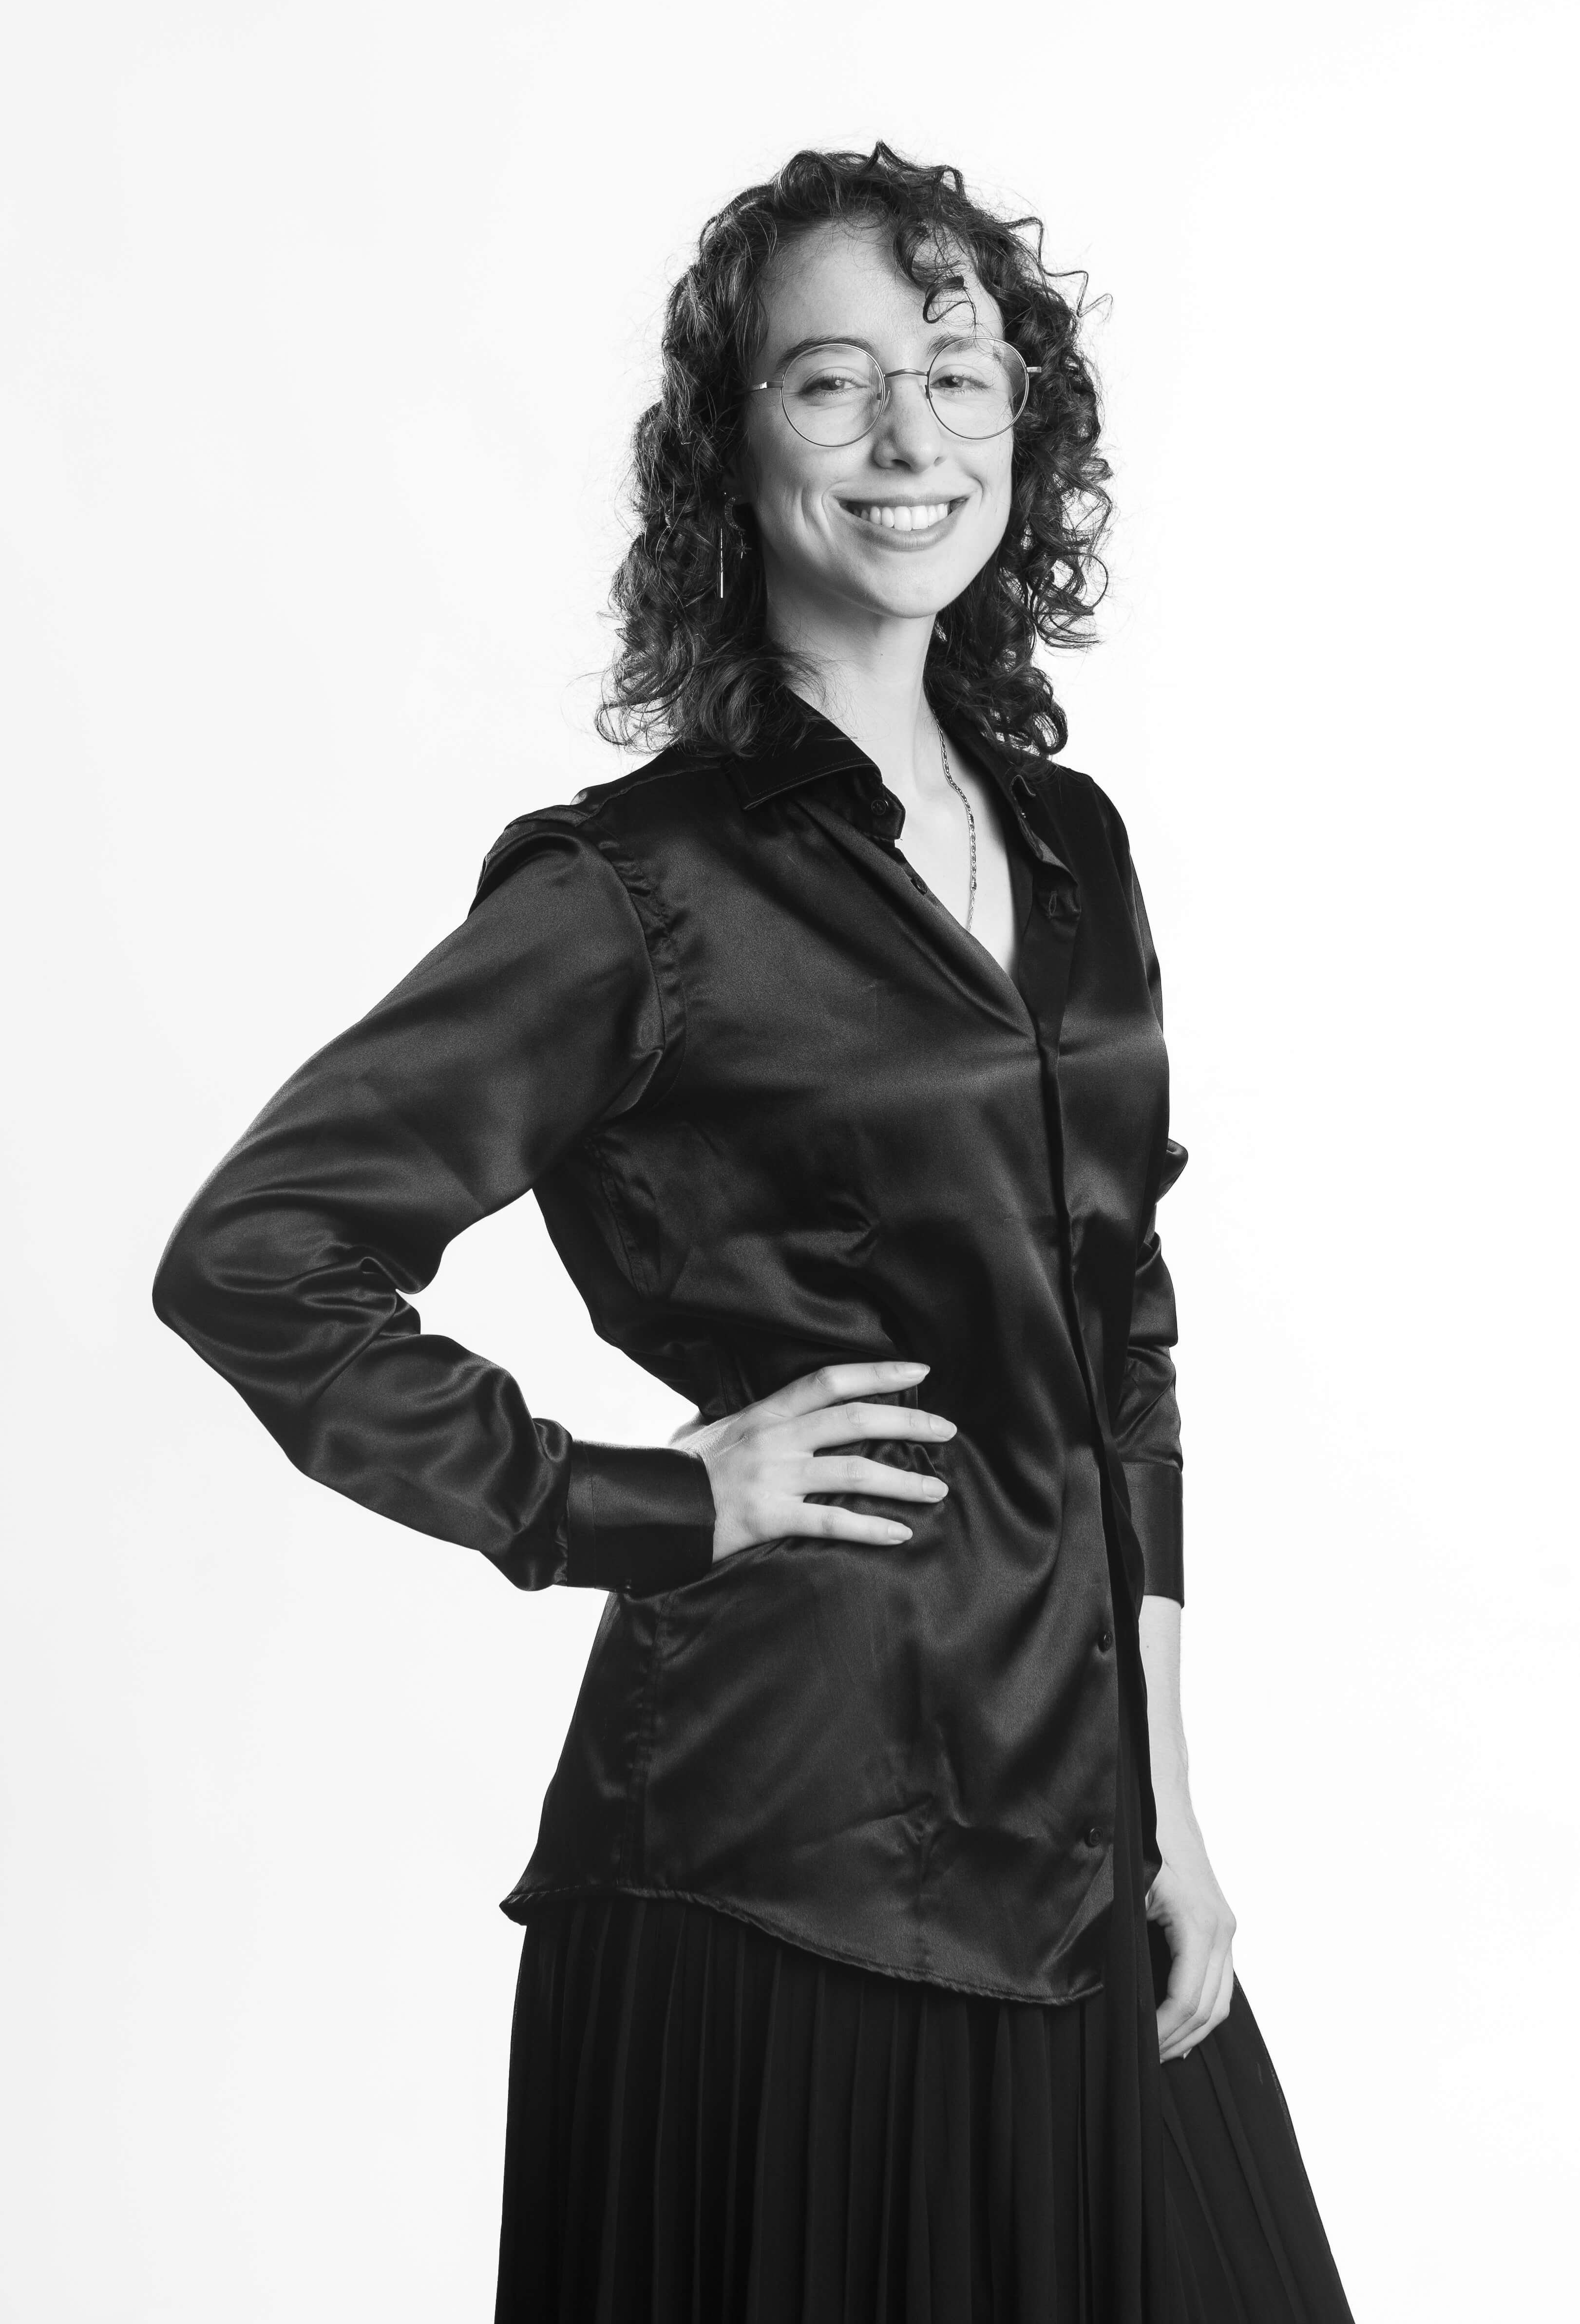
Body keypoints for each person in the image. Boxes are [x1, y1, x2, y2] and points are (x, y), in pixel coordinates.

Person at [152, 144, 1355, 2323]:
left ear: (1024, 432)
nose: (909, 436)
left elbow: (1120, 1343)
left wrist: (1168, 1801)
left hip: (1075, 1831)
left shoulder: (1069, 848)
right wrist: (633, 1502)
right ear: (735, 446)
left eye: (958, 378)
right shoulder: (638, 888)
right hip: (781, 1854)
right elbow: (260, 1253)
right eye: (831, 381)